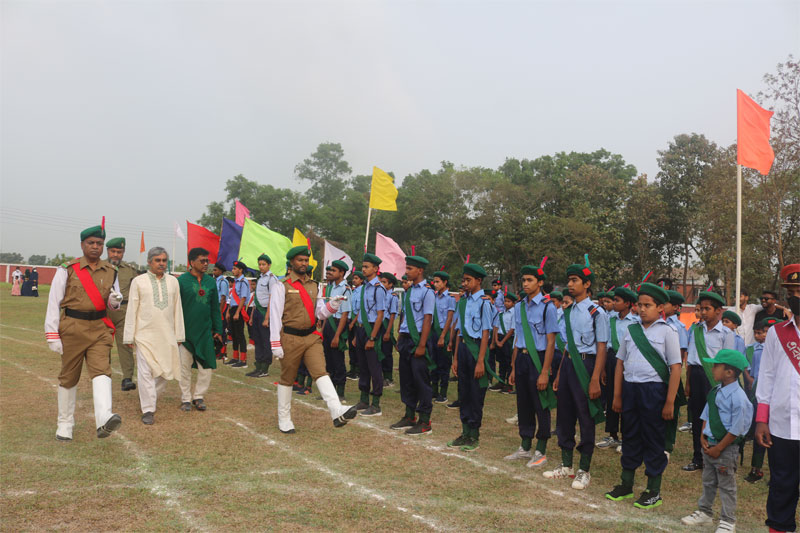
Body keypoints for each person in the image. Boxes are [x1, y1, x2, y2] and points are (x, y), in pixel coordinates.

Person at [605, 283, 682, 510]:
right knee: (629, 436)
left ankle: (653, 490)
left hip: (654, 392)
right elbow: (620, 363)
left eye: (648, 305)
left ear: (660, 307)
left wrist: (669, 401)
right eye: (640, 305)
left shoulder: (668, 332)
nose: (642, 309)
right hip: (630, 390)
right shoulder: (631, 330)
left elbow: (676, 368)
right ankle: (626, 484)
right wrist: (617, 395)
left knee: (653, 438)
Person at [44, 224, 123, 441]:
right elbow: (54, 302)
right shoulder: (67, 269)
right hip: (72, 327)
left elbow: (112, 304)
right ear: (82, 245)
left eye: (99, 243)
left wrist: (115, 302)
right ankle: (65, 423)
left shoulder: (111, 271)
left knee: (102, 371)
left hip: (99, 328)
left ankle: (104, 419)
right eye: (91, 243)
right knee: (69, 376)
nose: (95, 247)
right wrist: (52, 334)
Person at [268, 245, 356, 433]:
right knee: (287, 378)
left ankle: (336, 410)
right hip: (290, 337)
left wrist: (332, 305)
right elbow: (275, 315)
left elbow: (320, 314)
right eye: (300, 260)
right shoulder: (281, 286)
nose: (304, 264)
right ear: (291, 262)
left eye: (306, 260)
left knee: (320, 372)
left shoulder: (314, 285)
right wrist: (275, 343)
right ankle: (284, 419)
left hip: (311, 337)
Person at [544, 256, 608, 490]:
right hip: (569, 364)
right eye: (569, 280)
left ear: (587, 284)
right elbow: (568, 346)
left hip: (587, 365)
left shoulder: (596, 312)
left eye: (575, 280)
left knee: (585, 417)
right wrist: (560, 374)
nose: (570, 285)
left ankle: (584, 469)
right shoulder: (568, 311)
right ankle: (566, 464)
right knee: (565, 415)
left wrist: (595, 379)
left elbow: (602, 347)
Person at [680, 350, 753, 533]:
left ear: (729, 372)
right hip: (710, 445)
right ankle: (705, 512)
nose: (712, 369)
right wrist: (703, 437)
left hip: (725, 448)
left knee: (727, 485)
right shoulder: (716, 390)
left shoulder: (739, 398)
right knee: (708, 480)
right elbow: (707, 413)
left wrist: (719, 448)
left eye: (716, 366)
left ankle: (728, 520)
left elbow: (737, 429)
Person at [754, 263, 800, 533]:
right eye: (792, 291)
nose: (796, 296)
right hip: (781, 425)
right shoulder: (776, 332)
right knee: (782, 486)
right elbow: (767, 377)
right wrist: (762, 420)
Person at [504, 262, 558, 467]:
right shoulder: (519, 306)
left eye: (530, 280)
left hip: (539, 359)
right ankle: (525, 446)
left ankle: (541, 449)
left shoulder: (548, 308)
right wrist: (513, 367)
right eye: (524, 280)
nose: (525, 284)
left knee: (540, 404)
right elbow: (518, 337)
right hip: (522, 359)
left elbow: (551, 341)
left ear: (540, 282)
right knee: (523, 403)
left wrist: (545, 371)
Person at [123, 247, 185, 425]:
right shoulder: (139, 281)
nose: (161, 264)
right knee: (145, 373)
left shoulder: (173, 282)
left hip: (167, 335)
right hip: (144, 335)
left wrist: (179, 334)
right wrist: (129, 336)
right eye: (157, 260)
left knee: (164, 373)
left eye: (164, 260)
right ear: (150, 262)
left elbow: (177, 309)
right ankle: (148, 409)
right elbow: (132, 309)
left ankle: (149, 397)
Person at [683, 291, 736, 472]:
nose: (703, 312)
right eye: (701, 309)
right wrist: (688, 382)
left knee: (716, 418)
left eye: (708, 309)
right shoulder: (696, 330)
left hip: (715, 379)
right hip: (696, 376)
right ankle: (698, 458)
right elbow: (691, 358)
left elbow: (728, 363)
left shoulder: (726, 334)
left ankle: (716, 457)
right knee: (698, 418)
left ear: (719, 311)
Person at [448, 263, 494, 452]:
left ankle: (474, 435)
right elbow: (460, 331)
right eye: (464, 280)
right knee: (464, 392)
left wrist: (481, 361)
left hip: (477, 351)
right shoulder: (463, 302)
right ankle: (464, 432)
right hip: (464, 350)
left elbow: (485, 333)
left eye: (469, 280)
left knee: (476, 395)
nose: (465, 283)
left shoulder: (484, 303)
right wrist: (456, 358)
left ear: (478, 281)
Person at [390, 255, 436, 435]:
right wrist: (400, 337)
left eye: (410, 269)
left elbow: (427, 319)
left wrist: (422, 345)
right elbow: (405, 316)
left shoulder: (427, 292)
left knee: (421, 381)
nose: (406, 272)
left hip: (419, 340)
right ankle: (409, 416)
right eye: (406, 268)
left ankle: (425, 421)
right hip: (407, 339)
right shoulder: (408, 291)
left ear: (420, 270)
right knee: (406, 379)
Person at [177, 248, 223, 411]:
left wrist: (218, 329)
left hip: (205, 332)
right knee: (184, 367)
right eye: (202, 261)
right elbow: (175, 309)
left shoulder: (211, 282)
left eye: (207, 261)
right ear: (191, 262)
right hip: (185, 332)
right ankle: (186, 399)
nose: (206, 264)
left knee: (206, 366)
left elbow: (215, 308)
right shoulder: (181, 281)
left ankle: (199, 396)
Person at [597, 286, 638, 450]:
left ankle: (627, 437)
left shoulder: (635, 322)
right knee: (611, 396)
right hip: (611, 359)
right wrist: (603, 368)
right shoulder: (610, 319)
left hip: (628, 361)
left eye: (617, 300)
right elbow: (605, 344)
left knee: (625, 397)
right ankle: (613, 435)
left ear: (627, 303)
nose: (614, 303)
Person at [742, 317, 777, 484]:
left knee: (778, 437)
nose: (763, 335)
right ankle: (756, 469)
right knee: (759, 430)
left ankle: (776, 472)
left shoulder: (784, 350)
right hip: (760, 395)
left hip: (779, 398)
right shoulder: (752, 349)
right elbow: (748, 369)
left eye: (767, 331)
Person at [351, 253, 386, 416]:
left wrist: (372, 337)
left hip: (372, 329)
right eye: (363, 266)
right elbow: (361, 311)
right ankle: (364, 399)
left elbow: (380, 314)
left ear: (375, 269)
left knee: (374, 367)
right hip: (361, 329)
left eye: (366, 267)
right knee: (363, 366)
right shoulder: (364, 287)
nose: (363, 269)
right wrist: (358, 335)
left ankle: (376, 403)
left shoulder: (379, 288)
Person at [106, 237, 140, 391]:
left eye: (119, 252)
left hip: (124, 311)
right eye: (113, 251)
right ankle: (103, 375)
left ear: (123, 252)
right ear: (108, 251)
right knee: (103, 345)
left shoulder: (130, 270)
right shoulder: (100, 267)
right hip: (104, 311)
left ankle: (127, 378)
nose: (115, 255)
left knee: (125, 344)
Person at [322, 260, 351, 401]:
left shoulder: (345, 289)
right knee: (328, 358)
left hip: (338, 325)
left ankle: (340, 391)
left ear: (341, 273)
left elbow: (345, 314)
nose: (331, 272)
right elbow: (328, 309)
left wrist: (337, 336)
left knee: (338, 359)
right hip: (329, 323)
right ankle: (330, 391)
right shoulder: (331, 287)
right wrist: (323, 329)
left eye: (334, 270)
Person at [247, 254, 277, 378]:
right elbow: (256, 298)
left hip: (266, 311)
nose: (261, 266)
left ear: (269, 265)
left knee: (265, 341)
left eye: (263, 264)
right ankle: (258, 366)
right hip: (257, 312)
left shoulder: (272, 278)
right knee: (257, 339)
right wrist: (252, 316)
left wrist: (267, 317)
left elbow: (272, 298)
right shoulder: (259, 278)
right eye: (259, 264)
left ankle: (265, 368)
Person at [431, 271, 455, 404]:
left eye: (438, 281)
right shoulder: (434, 297)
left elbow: (449, 318)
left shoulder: (450, 298)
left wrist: (443, 336)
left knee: (443, 364)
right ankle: (434, 390)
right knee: (433, 362)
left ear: (445, 282)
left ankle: (443, 393)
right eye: (434, 282)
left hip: (443, 334)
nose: (435, 284)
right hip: (433, 332)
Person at [225, 261, 250, 368]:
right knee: (233, 334)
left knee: (240, 335)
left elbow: (243, 298)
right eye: (233, 268)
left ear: (240, 270)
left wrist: (237, 312)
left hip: (238, 310)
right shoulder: (236, 282)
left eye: (235, 268)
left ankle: (243, 359)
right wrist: (228, 311)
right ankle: (235, 357)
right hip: (233, 309)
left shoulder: (243, 282)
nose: (233, 270)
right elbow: (231, 298)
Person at [492, 291, 517, 393]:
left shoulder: (514, 313)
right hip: (499, 337)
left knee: (509, 362)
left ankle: (509, 384)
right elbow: (496, 327)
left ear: (513, 303)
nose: (506, 303)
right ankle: (501, 381)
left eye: (509, 301)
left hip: (508, 339)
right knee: (501, 362)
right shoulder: (501, 313)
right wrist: (496, 340)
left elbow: (512, 329)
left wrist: (502, 341)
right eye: (505, 301)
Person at [379, 272, 399, 387]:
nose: (382, 284)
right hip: (379, 324)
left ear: (391, 284)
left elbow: (392, 315)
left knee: (387, 352)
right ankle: (381, 374)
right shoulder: (381, 293)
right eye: (381, 281)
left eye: (384, 282)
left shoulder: (393, 296)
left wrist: (388, 331)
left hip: (387, 325)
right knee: (379, 350)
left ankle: (388, 377)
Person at [346, 270, 364, 381]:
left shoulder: (363, 291)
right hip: (351, 320)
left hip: (357, 322)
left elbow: (360, 309)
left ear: (361, 280)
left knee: (357, 345)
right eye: (354, 278)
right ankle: (352, 369)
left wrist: (353, 322)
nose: (354, 280)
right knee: (351, 346)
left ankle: (358, 370)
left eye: (357, 278)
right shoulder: (354, 291)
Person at [212, 263, 229, 360]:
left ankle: (222, 353)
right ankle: (217, 351)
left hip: (221, 307)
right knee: (215, 329)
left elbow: (223, 298)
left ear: (221, 271)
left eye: (215, 270)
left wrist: (219, 311)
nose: (214, 272)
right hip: (216, 306)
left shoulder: (223, 282)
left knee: (221, 329)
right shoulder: (216, 281)